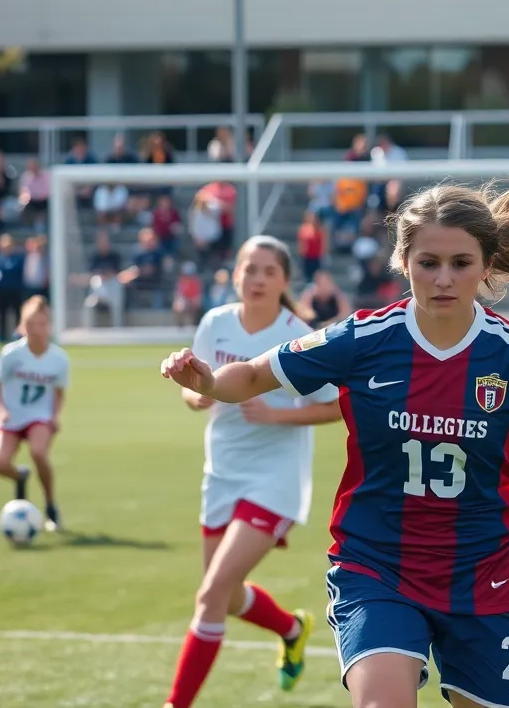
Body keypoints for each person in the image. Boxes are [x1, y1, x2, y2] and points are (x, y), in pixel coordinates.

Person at [161, 176, 509, 708]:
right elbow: (254, 375)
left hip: (485, 573)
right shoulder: (362, 339)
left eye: (461, 263)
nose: (443, 278)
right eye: (428, 262)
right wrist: (207, 382)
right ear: (403, 260)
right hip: (378, 566)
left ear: (486, 267)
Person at [161, 236, 342, 708]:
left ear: (284, 281)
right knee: (223, 593)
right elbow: (193, 391)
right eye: (249, 269)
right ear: (235, 275)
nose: (258, 279)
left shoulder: (297, 335)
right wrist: (195, 393)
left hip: (274, 480)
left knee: (210, 596)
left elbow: (336, 407)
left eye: (269, 271)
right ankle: (291, 627)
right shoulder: (214, 324)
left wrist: (278, 415)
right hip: (221, 471)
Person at [0, 295, 69, 532]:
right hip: (10, 417)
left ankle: (51, 506)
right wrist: (1, 409)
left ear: (49, 326)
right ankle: (19, 477)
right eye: (31, 324)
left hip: (38, 415)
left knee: (38, 452)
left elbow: (59, 392)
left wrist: (54, 415)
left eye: (42, 324)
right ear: (23, 326)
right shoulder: (11, 354)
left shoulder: (59, 359)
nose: (37, 330)